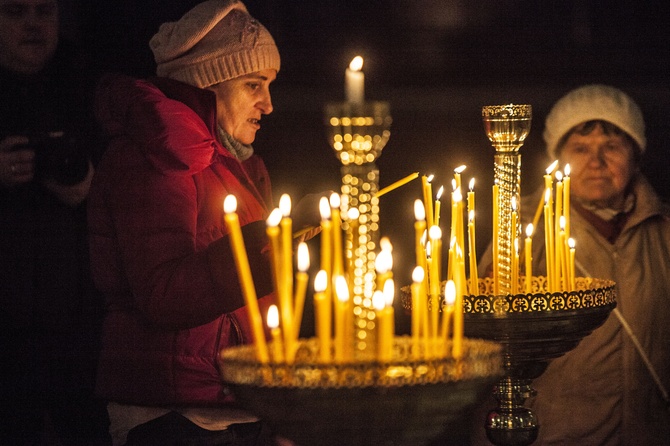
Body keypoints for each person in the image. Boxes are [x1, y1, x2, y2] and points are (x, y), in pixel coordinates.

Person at [88, 1, 319, 444]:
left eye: (269, 86)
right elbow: (163, 293)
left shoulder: (238, 164)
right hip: (172, 416)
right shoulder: (155, 155)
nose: (268, 104)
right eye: (254, 84)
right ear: (208, 84)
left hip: (229, 405)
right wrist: (262, 248)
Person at [475, 84, 670, 445]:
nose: (595, 162)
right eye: (580, 149)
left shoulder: (663, 231)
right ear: (558, 158)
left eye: (611, 146)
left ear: (635, 154)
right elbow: (486, 333)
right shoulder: (520, 230)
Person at [0, 0, 111, 444]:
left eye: (44, 11)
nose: (32, 25)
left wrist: (90, 188)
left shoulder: (88, 85)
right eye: (14, 12)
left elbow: (123, 182)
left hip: (77, 317)